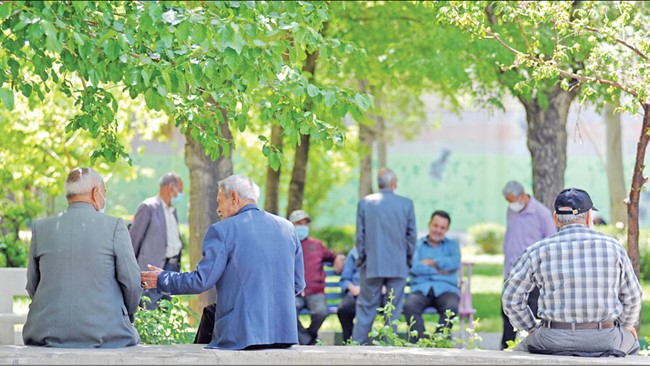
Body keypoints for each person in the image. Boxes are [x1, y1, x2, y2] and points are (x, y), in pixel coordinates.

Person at [141, 175, 305, 350]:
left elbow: (202, 281)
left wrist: (162, 278)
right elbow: (298, 284)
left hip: (241, 336)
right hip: (283, 335)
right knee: (209, 314)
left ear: (234, 197)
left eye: (219, 202)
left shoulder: (222, 231)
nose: (218, 209)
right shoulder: (287, 228)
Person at [503, 187, 643, 357]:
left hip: (552, 338)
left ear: (556, 218)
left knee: (519, 352)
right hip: (605, 338)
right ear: (589, 217)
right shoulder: (613, 248)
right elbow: (633, 296)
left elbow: (511, 298)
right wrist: (626, 324)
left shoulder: (537, 250)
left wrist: (531, 328)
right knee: (632, 343)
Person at [23, 167, 141, 348]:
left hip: (45, 335)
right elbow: (132, 284)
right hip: (107, 335)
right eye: (104, 192)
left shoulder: (41, 228)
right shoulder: (115, 227)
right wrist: (128, 316)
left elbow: (33, 286)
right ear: (96, 193)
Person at [352, 167, 417, 345]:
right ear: (393, 184)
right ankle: (390, 350)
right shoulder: (406, 204)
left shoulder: (365, 203)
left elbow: (360, 237)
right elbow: (411, 237)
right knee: (393, 311)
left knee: (366, 308)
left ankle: (357, 347)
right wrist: (408, 259)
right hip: (398, 265)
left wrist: (362, 259)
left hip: (372, 264)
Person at [500, 180, 556, 349]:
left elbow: (551, 242)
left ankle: (531, 347)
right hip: (511, 271)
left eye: (513, 200)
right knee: (506, 311)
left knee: (530, 312)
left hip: (532, 275)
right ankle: (506, 347)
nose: (511, 205)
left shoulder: (542, 214)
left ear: (522, 196)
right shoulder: (511, 210)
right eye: (508, 201)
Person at [403, 210, 460, 343]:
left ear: (447, 229)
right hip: (420, 288)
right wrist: (438, 270)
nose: (438, 230)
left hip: (446, 289)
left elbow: (454, 263)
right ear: (429, 224)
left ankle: (439, 343)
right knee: (410, 306)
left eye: (442, 228)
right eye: (436, 226)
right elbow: (414, 267)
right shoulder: (417, 245)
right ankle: (421, 344)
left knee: (451, 307)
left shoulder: (453, 246)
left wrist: (431, 262)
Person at [129, 172, 184, 310]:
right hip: (152, 269)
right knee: (149, 310)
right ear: (171, 187)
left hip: (171, 269)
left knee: (165, 310)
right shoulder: (148, 207)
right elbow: (133, 242)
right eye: (181, 191)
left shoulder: (173, 210)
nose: (181, 195)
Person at [289, 209, 345, 345]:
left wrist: (339, 258)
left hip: (315, 292)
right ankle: (308, 340)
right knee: (288, 312)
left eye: (305, 223)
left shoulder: (316, 245)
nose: (302, 226)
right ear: (291, 225)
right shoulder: (286, 243)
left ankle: (306, 338)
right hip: (294, 292)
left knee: (321, 312)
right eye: (298, 223)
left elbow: (333, 256)